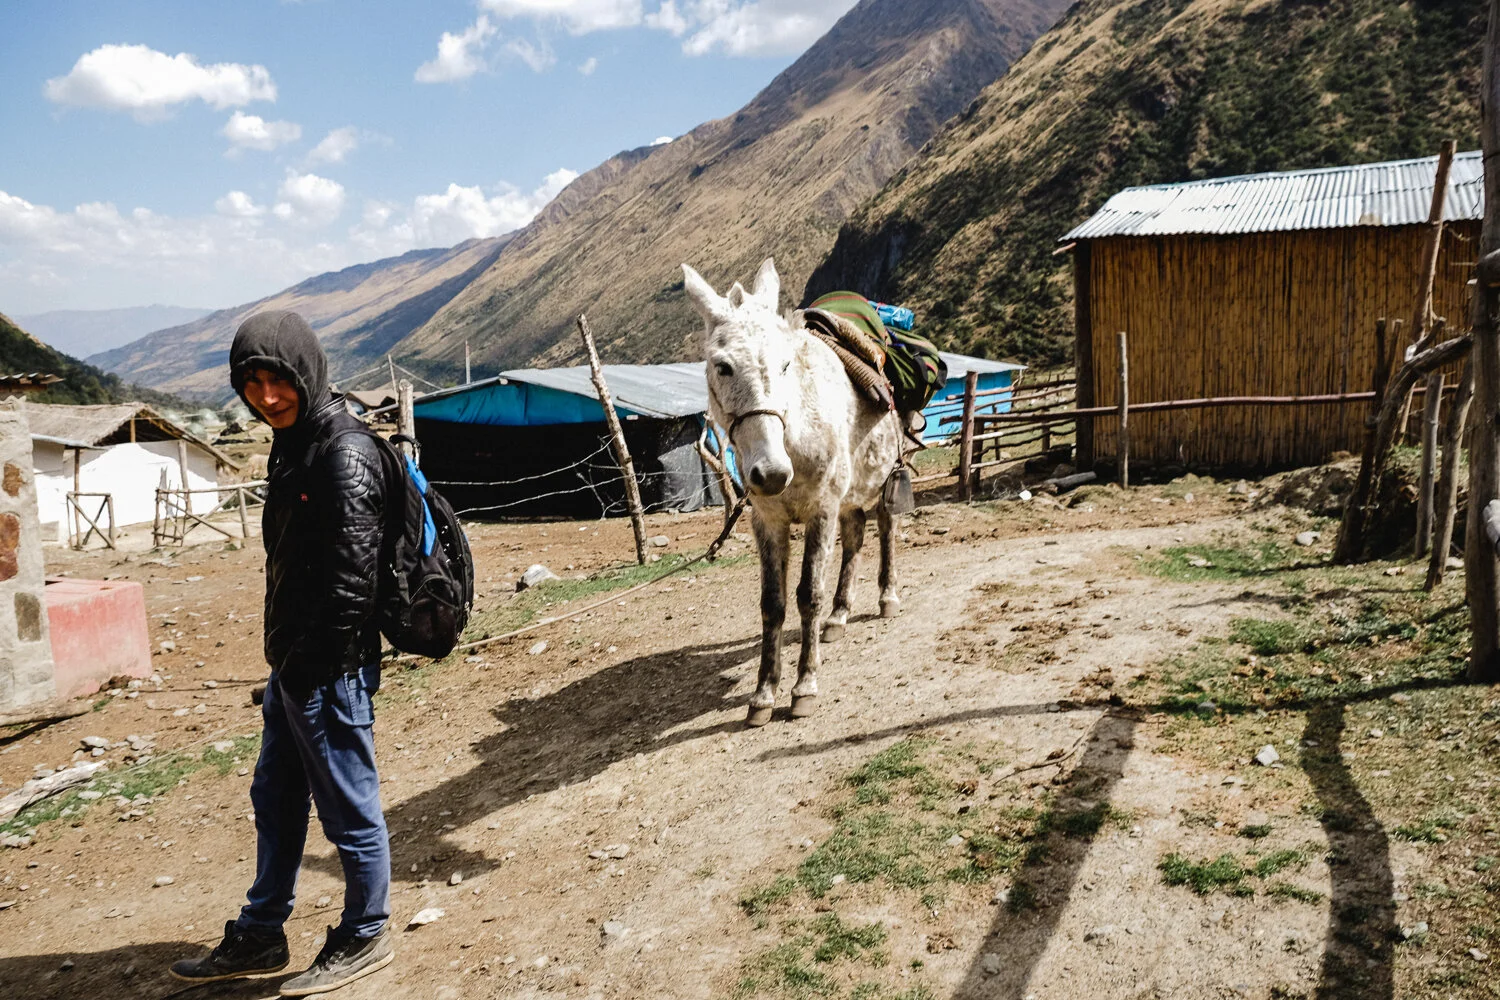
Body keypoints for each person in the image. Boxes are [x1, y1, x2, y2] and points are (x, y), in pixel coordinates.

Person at [170, 311, 394, 996]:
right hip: (294, 667)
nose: (268, 397)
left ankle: (366, 933)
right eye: (253, 383)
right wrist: (285, 672)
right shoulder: (293, 440)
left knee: (349, 809)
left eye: (279, 380)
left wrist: (305, 671)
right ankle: (262, 932)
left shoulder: (342, 452)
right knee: (275, 795)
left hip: (327, 670)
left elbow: (354, 585)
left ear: (307, 371)